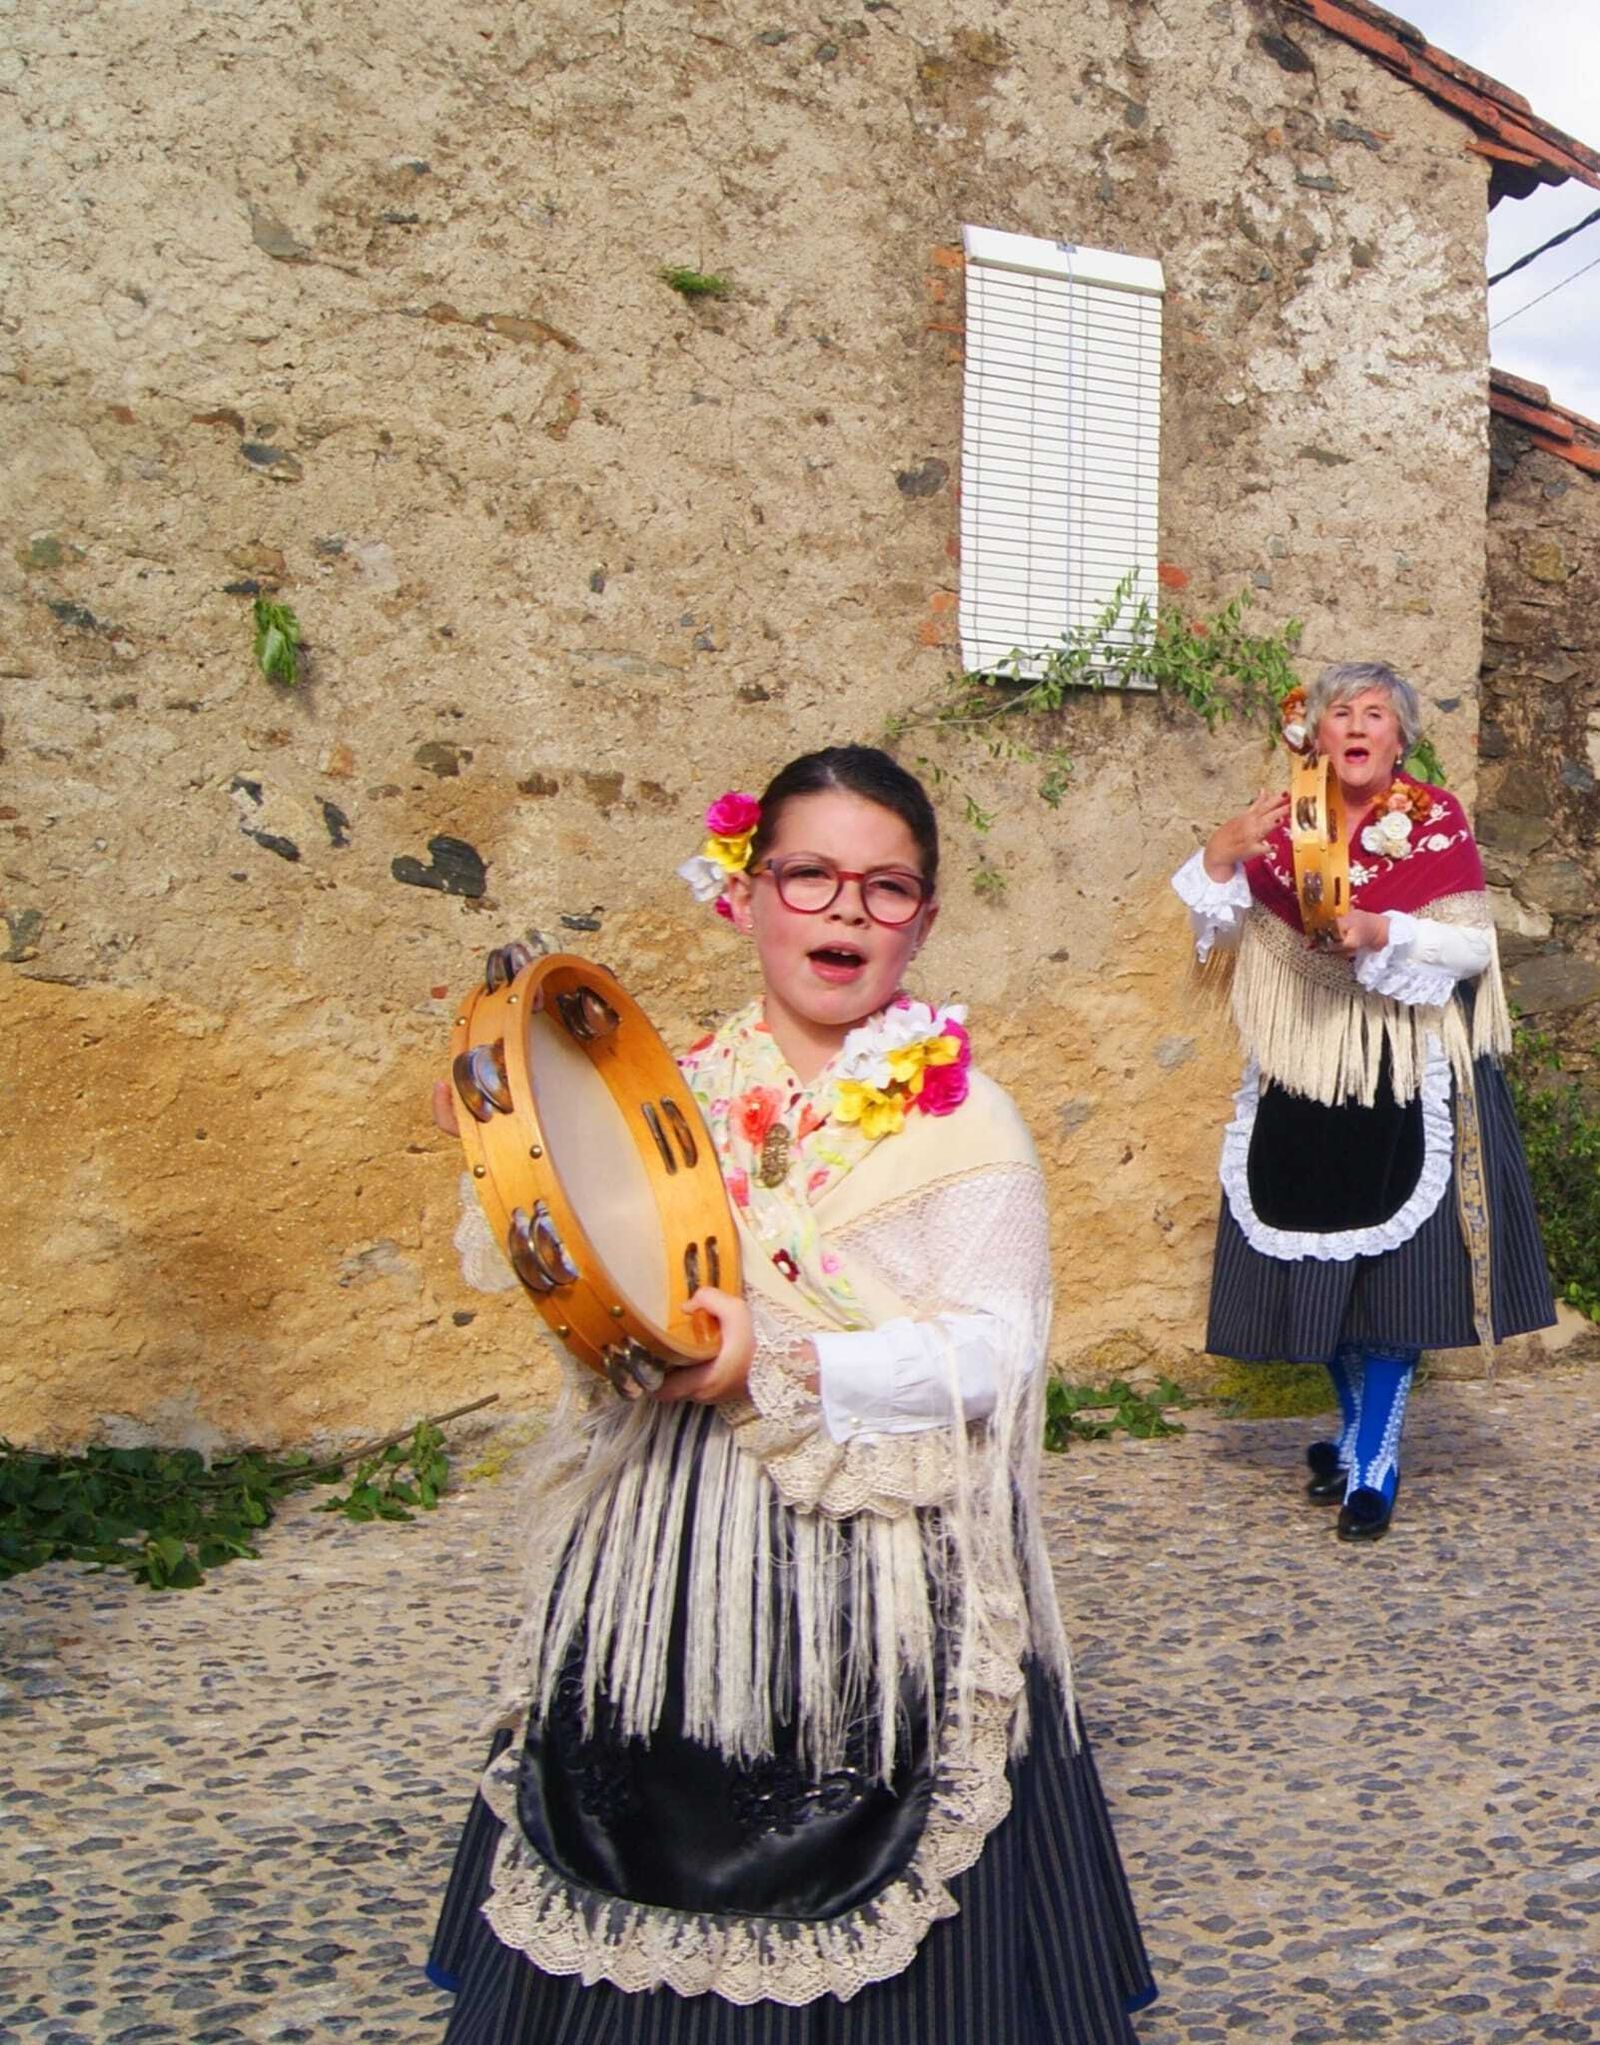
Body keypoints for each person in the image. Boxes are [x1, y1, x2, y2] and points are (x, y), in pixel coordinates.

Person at [428, 745, 1156, 2041]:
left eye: (885, 888)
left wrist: (790, 1359)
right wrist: (510, 1151)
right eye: (808, 874)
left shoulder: (966, 1122)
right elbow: (584, 1275)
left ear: (924, 917)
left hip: (877, 1569)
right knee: (625, 1826)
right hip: (665, 1552)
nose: (844, 910)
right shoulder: (662, 1096)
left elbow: (996, 1352)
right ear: (747, 893)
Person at [1173, 663, 1556, 1542]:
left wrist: (1387, 930)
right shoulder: (1286, 823)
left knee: (1390, 1277)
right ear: (1313, 732)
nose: (1354, 725)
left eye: (1374, 713)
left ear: (1399, 738)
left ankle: (1376, 1459)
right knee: (1319, 1261)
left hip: (1401, 1067)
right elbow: (1220, 932)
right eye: (1339, 710)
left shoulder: (1433, 823)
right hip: (1303, 1067)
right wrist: (1222, 855)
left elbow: (1468, 946)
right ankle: (1350, 1435)